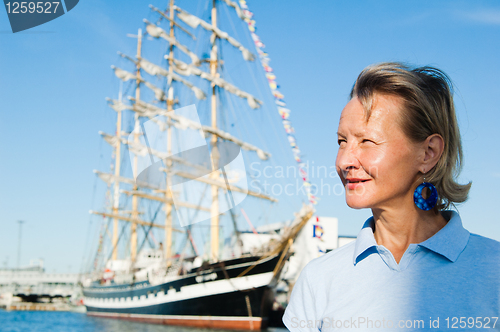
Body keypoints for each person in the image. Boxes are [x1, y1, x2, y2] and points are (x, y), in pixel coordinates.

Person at [283, 63, 500, 331]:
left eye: (367, 141)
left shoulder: (494, 272)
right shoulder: (319, 278)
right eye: (342, 141)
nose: (345, 160)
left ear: (428, 152)